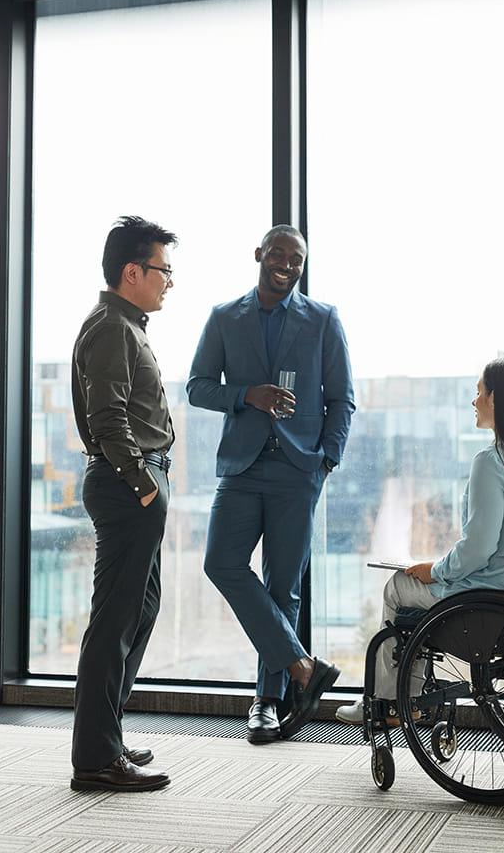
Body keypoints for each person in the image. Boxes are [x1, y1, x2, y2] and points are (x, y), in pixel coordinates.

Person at [187, 225, 355, 744]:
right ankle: (304, 669)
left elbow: (341, 398)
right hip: (241, 468)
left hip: (298, 472)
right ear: (259, 255)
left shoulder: (323, 319)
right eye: (277, 255)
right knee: (222, 563)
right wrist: (246, 396)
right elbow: (196, 387)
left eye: (296, 260)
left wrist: (325, 461)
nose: (286, 265)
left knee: (283, 587)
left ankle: (268, 702)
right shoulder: (224, 317)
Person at [336, 356, 504, 723]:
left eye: (479, 393)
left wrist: (437, 570)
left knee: (397, 587)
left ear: (497, 400)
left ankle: (394, 703)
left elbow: (478, 548)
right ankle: (403, 697)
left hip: (488, 594)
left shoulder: (492, 462)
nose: (474, 401)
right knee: (419, 577)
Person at [70, 216, 177, 791]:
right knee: (114, 620)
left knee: (138, 611)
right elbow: (106, 417)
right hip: (125, 486)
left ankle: (105, 739)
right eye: (162, 269)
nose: (167, 281)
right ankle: (93, 761)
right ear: (131, 271)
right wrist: (142, 483)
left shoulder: (126, 325)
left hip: (133, 485)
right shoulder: (112, 327)